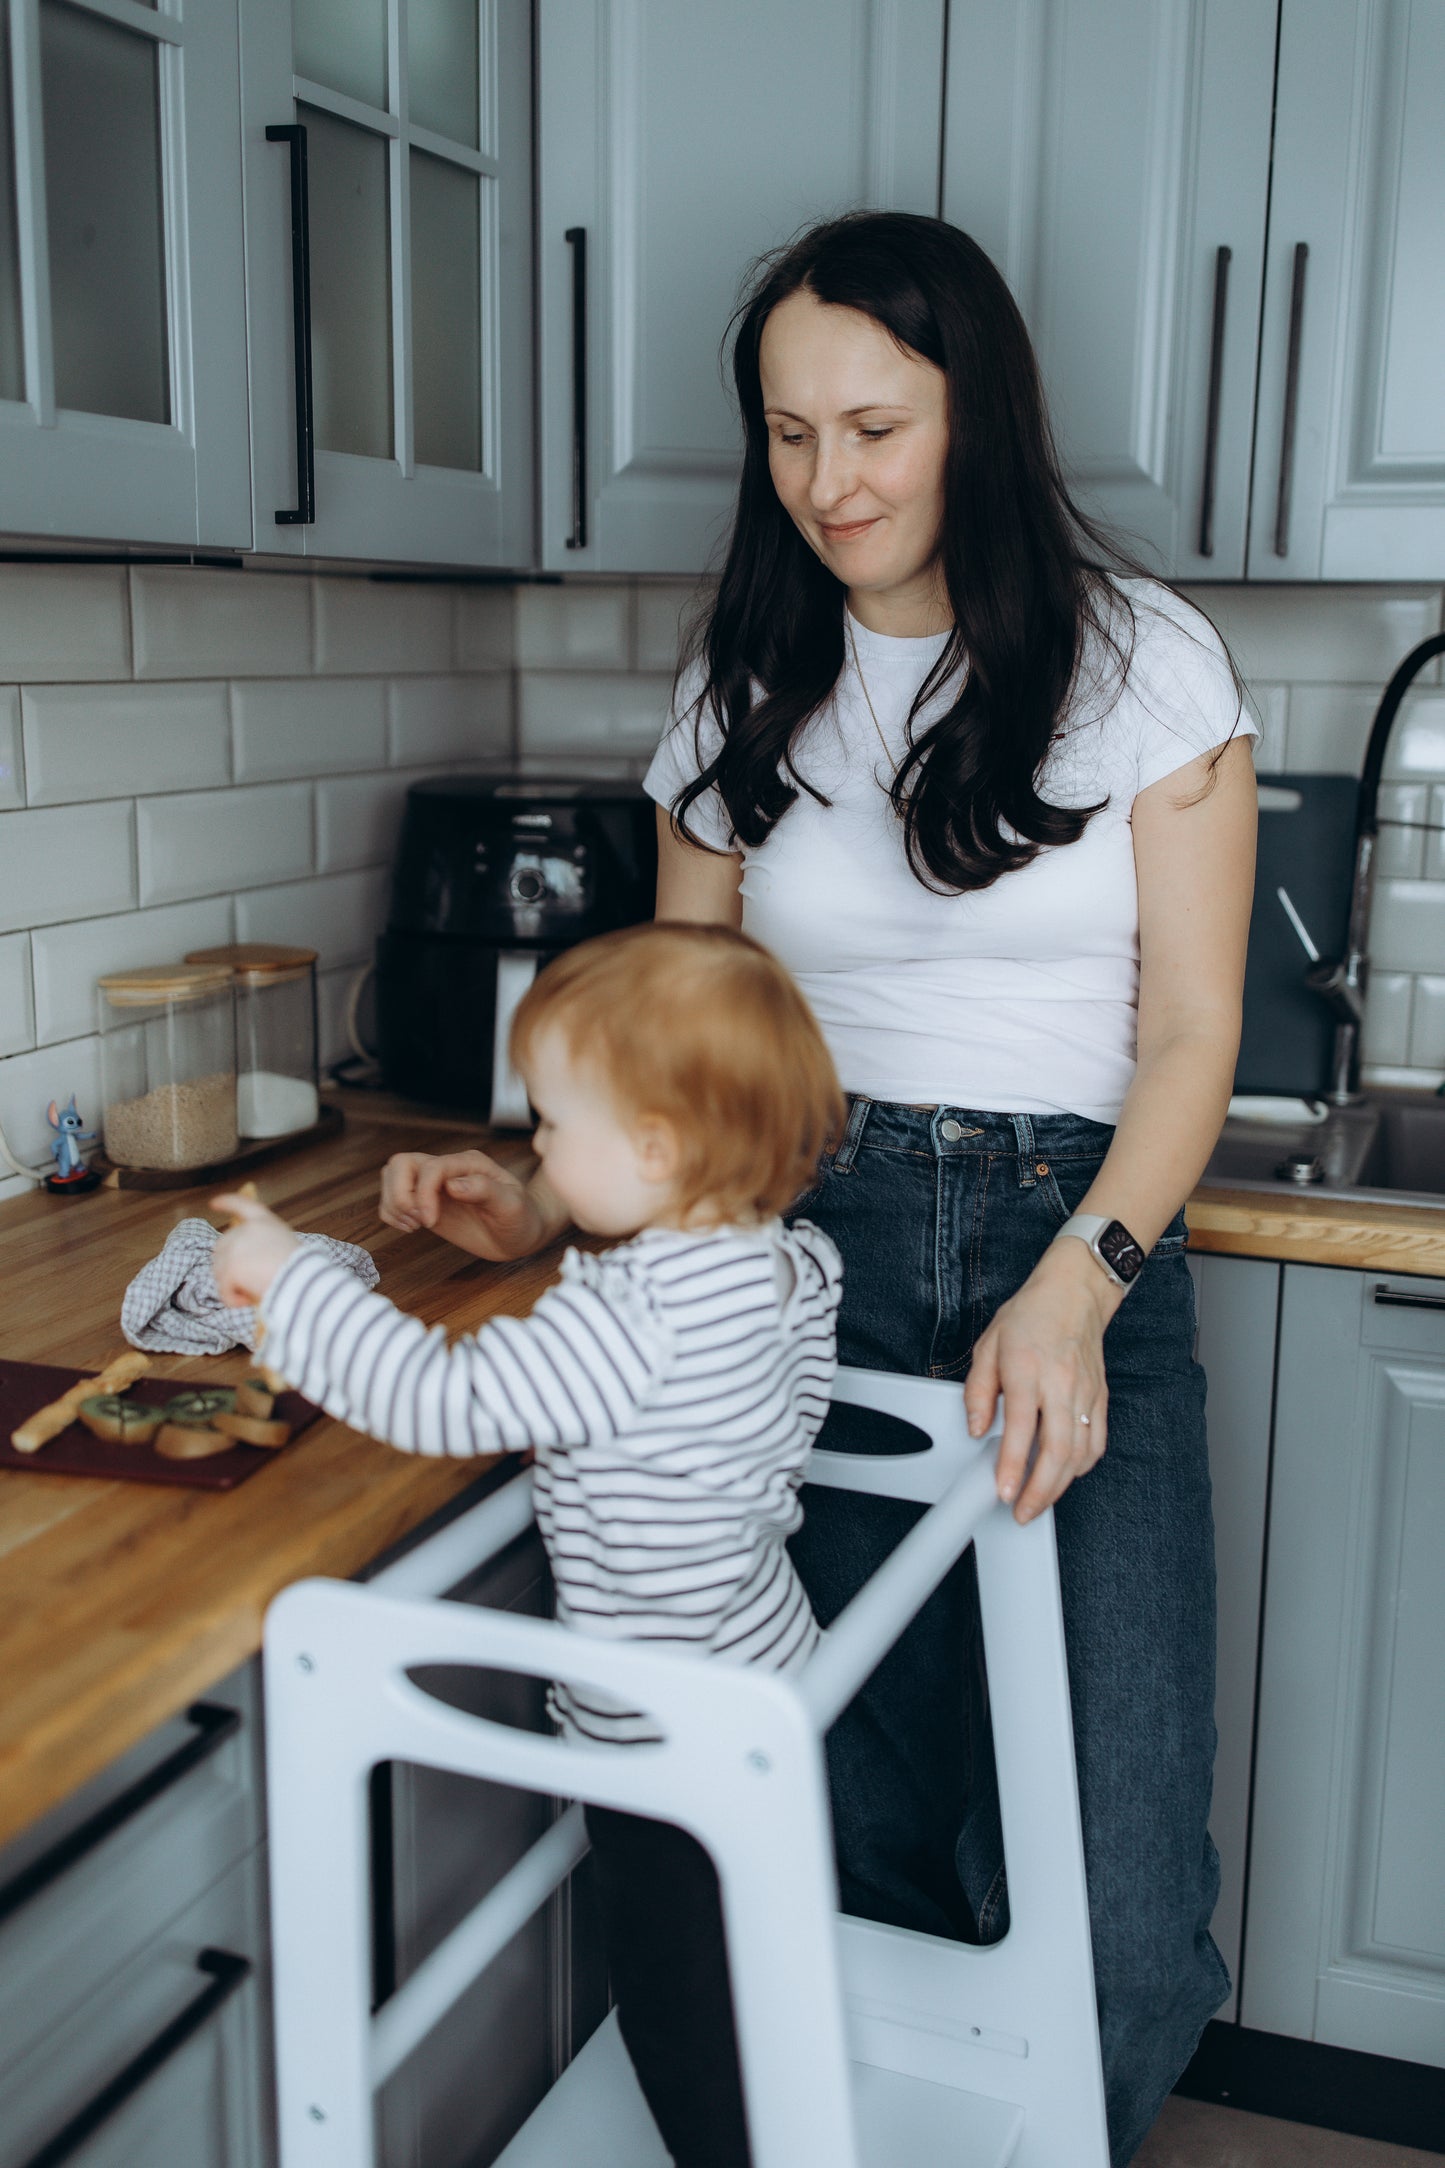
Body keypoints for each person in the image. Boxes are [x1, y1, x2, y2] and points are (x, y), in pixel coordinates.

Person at [383, 211, 1259, 2167]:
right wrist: (541, 1204)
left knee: (1110, 1869)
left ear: (975, 417)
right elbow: (682, 1045)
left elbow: (1195, 1035)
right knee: (828, 1794)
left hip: (1073, 1246)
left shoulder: (1143, 667)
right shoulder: (746, 680)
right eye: (786, 435)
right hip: (794, 1257)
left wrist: (1077, 1279)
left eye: (871, 425)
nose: (828, 482)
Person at [212, 921, 845, 2168]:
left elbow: (440, 1399)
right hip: (760, 1671)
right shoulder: (781, 1262)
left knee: (682, 2012)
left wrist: (289, 1280)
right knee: (749, 1968)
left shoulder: (635, 1313)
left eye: (553, 1126)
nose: (537, 1149)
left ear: (655, 1149)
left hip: (660, 1724)